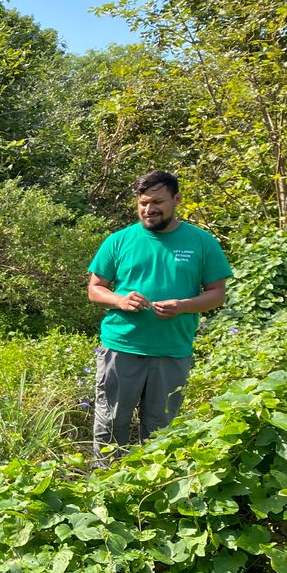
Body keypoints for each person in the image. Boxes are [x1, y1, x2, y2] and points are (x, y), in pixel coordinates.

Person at [87, 170, 232, 459]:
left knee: (160, 429)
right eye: (142, 203)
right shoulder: (119, 240)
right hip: (122, 347)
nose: (148, 209)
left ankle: (151, 488)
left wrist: (183, 306)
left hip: (172, 350)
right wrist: (119, 300)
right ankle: (104, 486)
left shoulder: (201, 242)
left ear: (176, 199)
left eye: (157, 202)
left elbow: (217, 293)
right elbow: (95, 289)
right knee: (112, 423)